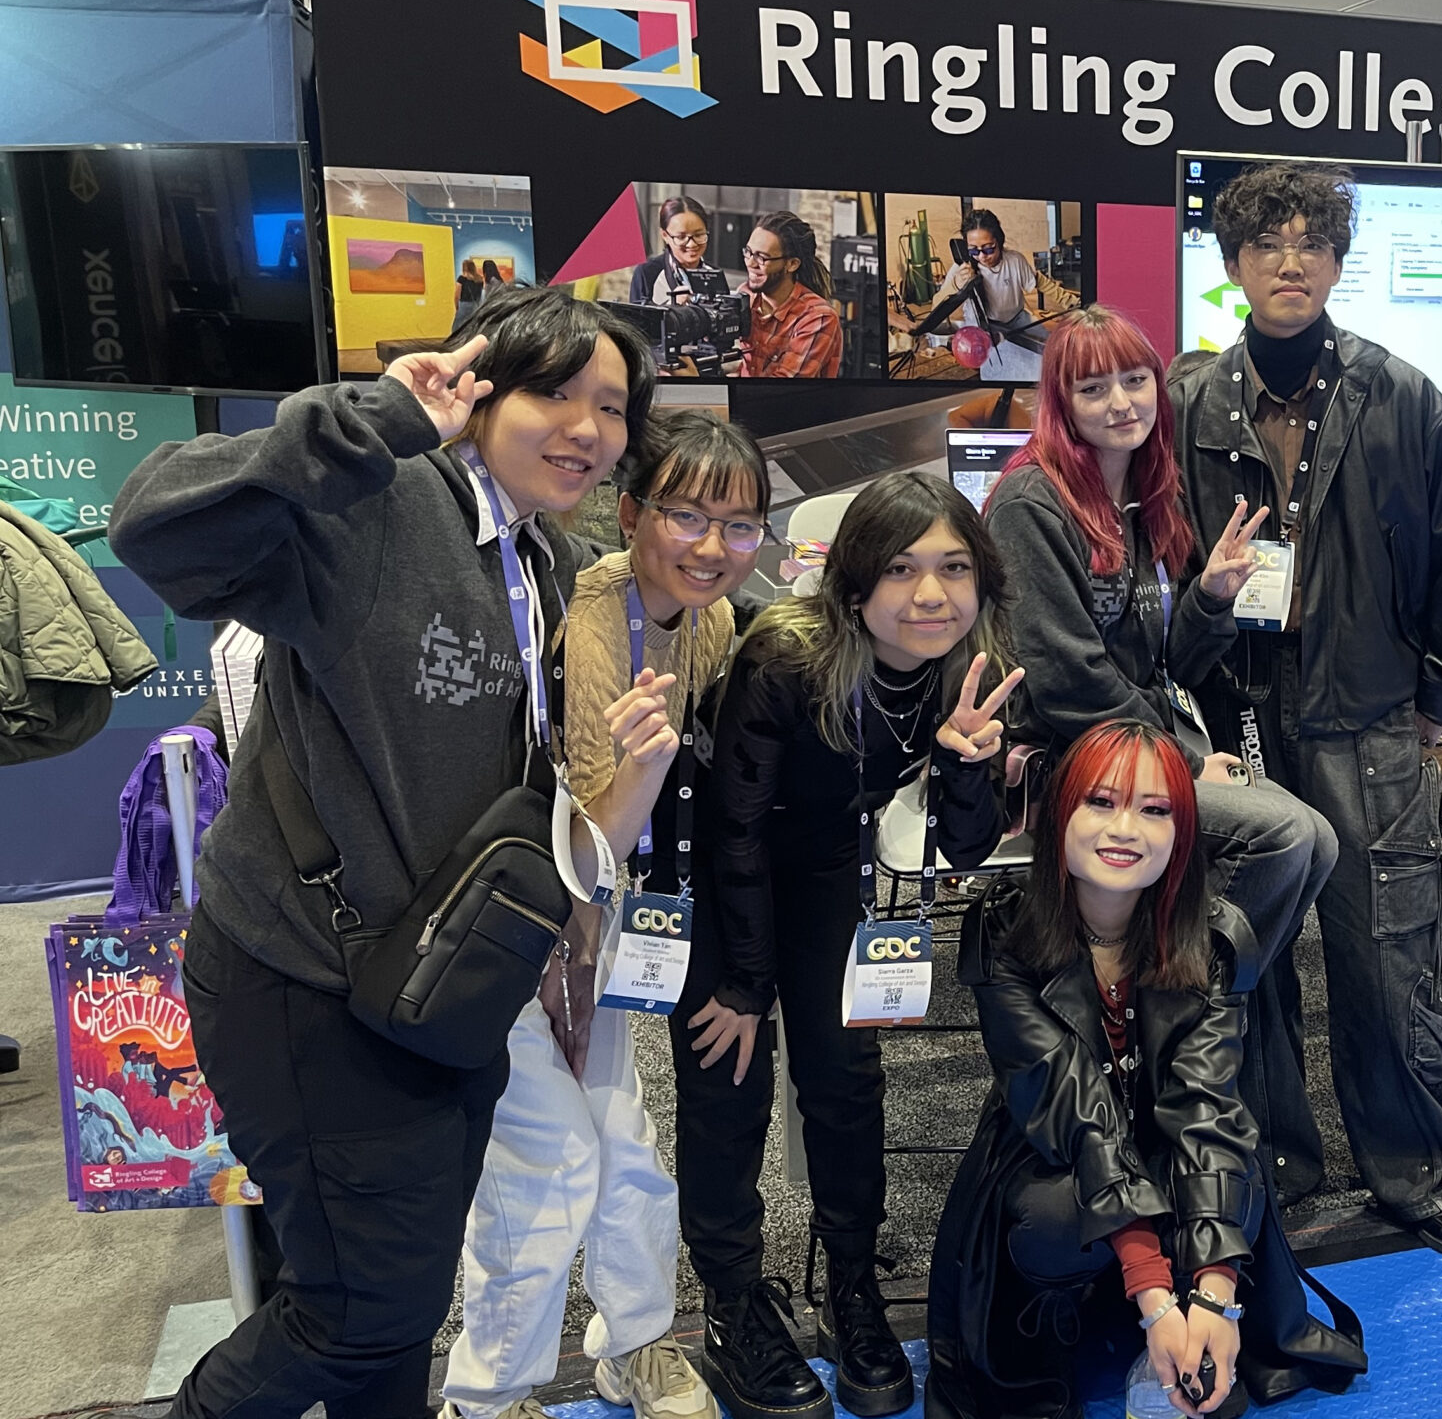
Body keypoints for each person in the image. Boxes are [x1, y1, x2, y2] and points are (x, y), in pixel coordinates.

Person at [109, 285, 656, 1418]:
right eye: (555, 392)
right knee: (354, 1313)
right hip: (305, 979)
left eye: (610, 406)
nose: (588, 428)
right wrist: (369, 422)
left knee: (394, 1309)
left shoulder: (540, 559)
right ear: (479, 391)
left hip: (435, 990)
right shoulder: (381, 502)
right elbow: (156, 522)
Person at [1166, 162, 1442, 1258]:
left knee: (1387, 950)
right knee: (1242, 956)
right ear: (1232, 268)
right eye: (1267, 245)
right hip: (1236, 718)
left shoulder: (1402, 397)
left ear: (1338, 264)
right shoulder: (1189, 408)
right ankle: (1275, 1162)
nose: (1291, 262)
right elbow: (1158, 568)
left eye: (1312, 244)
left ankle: (1413, 1169)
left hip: (1365, 718)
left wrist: (1426, 705)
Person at [438, 411, 771, 1419]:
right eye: (686, 516)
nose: (713, 547)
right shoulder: (592, 604)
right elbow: (589, 815)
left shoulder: (709, 618)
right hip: (518, 924)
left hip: (612, 929)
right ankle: (486, 1395)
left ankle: (636, 1346)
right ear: (631, 513)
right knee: (549, 1154)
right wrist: (634, 790)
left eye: (741, 524)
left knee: (624, 1139)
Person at [688, 472, 1024, 1419]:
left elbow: (961, 847)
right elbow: (737, 827)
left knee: (845, 1082)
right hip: (723, 875)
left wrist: (971, 759)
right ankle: (732, 1304)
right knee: (730, 1086)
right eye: (903, 568)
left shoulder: (968, 664)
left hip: (829, 866)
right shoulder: (786, 655)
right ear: (854, 584)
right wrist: (748, 981)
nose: (930, 594)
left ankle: (851, 1289)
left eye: (954, 568)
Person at [981, 305, 1335, 1202]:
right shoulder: (1033, 500)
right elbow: (1065, 683)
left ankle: (1178, 989)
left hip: (1135, 749)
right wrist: (1177, 758)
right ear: (1059, 401)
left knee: (1319, 845)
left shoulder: (1143, 492)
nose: (1120, 402)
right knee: (1293, 839)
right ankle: (1195, 991)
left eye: (1134, 380)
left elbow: (1165, 662)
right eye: (1091, 386)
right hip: (1071, 762)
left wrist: (1211, 598)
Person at [924, 720, 1365, 1419]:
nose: (1125, 828)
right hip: (1055, 1154)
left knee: (1233, 1168)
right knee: (1056, 1213)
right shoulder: (1003, 930)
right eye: (1100, 802)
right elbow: (1075, 1113)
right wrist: (1158, 1300)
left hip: (1164, 1155)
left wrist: (1216, 1298)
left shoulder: (1215, 936)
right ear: (1058, 814)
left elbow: (1206, 1106)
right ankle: (1089, 1319)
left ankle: (1176, 1327)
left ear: (1183, 831)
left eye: (1155, 809)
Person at [890, 209, 1071, 373]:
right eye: (974, 251)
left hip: (1017, 319)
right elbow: (937, 304)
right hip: (982, 328)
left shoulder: (1015, 260)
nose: (982, 256)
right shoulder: (963, 268)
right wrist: (956, 285)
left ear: (999, 241)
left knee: (1051, 352)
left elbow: (1041, 282)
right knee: (999, 369)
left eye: (989, 248)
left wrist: (1069, 301)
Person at [738, 209, 842, 379]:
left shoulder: (818, 318)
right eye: (748, 252)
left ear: (792, 264)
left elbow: (783, 385)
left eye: (762, 257)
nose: (750, 263)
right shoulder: (746, 295)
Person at [629, 195, 723, 306]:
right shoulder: (647, 273)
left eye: (698, 235)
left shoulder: (714, 274)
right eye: (681, 237)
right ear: (665, 235)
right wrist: (672, 306)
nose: (692, 244)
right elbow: (634, 321)